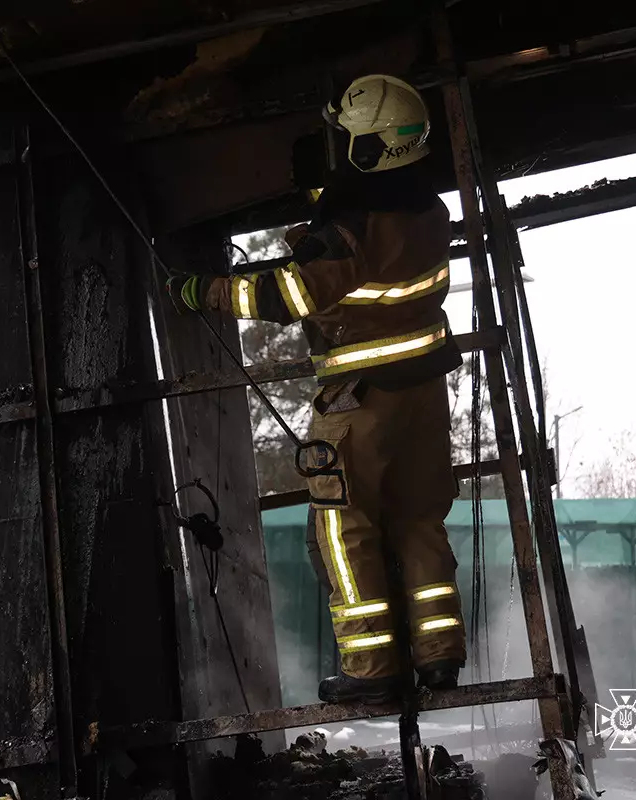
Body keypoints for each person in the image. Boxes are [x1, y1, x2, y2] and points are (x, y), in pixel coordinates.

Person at [167, 74, 466, 704]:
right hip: (423, 393)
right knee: (418, 521)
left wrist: (204, 291)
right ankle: (439, 657)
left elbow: (288, 293)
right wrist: (323, 202)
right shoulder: (429, 210)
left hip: (363, 400)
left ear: (364, 150)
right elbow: (371, 254)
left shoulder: (352, 228)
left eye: (344, 140)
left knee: (343, 526)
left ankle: (371, 668)